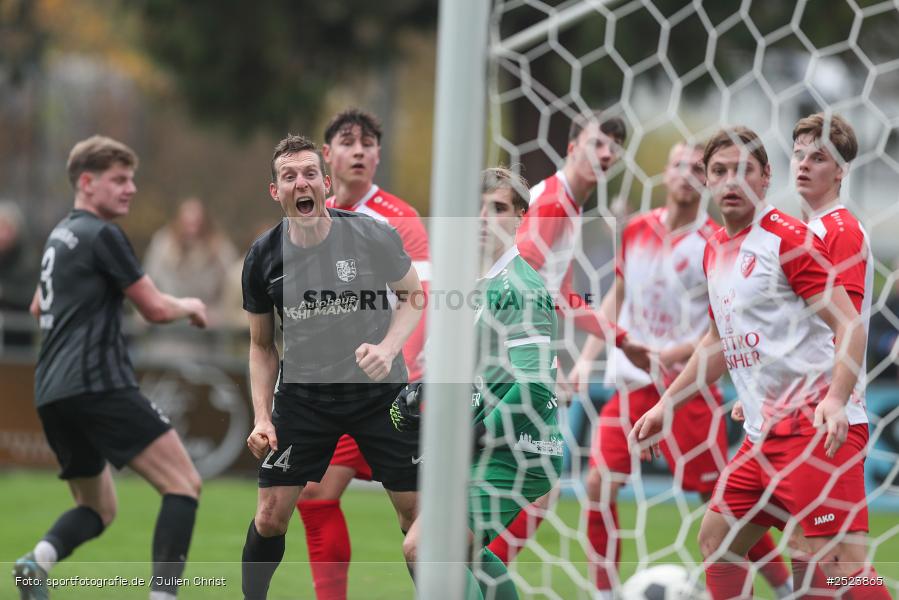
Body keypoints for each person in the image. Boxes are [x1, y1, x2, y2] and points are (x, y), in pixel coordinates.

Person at [631, 127, 891, 600]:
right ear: (707, 180)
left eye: (743, 170)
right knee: (717, 541)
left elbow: (850, 324)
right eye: (719, 171)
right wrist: (666, 405)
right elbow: (717, 342)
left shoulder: (789, 239)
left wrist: (836, 399)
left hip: (814, 433)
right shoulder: (714, 247)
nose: (731, 180)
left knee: (837, 571)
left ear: (766, 176)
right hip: (761, 436)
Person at [568, 142, 792, 598]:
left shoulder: (715, 242)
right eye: (678, 165)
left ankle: (785, 585)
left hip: (689, 390)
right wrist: (588, 356)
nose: (686, 173)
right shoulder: (636, 229)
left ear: (705, 179)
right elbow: (618, 296)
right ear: (665, 173)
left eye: (696, 167)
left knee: (723, 504)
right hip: (635, 386)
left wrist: (673, 354)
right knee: (597, 482)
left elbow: (724, 327)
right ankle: (605, 593)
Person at [13, 135, 207, 600]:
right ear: (86, 183)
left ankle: (36, 562)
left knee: (99, 509)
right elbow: (154, 308)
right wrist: (190, 305)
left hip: (52, 392)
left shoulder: (59, 236)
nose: (130, 189)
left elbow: (38, 307)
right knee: (184, 484)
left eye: (131, 179)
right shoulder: (103, 234)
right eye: (119, 180)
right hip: (99, 384)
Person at [240, 134, 423, 600]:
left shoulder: (370, 234)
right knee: (270, 516)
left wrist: (388, 348)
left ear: (325, 183)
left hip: (380, 396)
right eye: (289, 177)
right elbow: (261, 345)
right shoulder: (262, 257)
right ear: (275, 191)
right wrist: (261, 417)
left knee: (415, 518)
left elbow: (414, 296)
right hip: (305, 398)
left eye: (309, 174)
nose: (301, 183)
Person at [488, 110, 652, 563]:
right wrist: (536, 357)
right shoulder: (555, 203)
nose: (606, 154)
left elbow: (562, 295)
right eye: (597, 143)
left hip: (513, 357)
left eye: (613, 148)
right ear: (572, 147)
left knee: (531, 486)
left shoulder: (569, 204)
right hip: (507, 360)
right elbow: (515, 279)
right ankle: (479, 571)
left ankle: (478, 570)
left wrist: (620, 339)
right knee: (539, 487)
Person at [400, 167, 561, 600]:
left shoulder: (521, 286)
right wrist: (422, 392)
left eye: (499, 208)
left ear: (521, 216)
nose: (484, 218)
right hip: (491, 445)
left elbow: (535, 386)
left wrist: (477, 433)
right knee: (461, 554)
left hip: (519, 448)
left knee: (427, 549)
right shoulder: (476, 284)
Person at [292, 109, 430, 600]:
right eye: (348, 142)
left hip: (389, 388)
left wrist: (397, 363)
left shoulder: (398, 217)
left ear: (377, 156)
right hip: (334, 387)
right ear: (326, 155)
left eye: (368, 143)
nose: (359, 151)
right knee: (314, 494)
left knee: (414, 515)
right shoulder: (312, 217)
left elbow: (422, 301)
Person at [143, 197, 238, 326]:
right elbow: (149, 280)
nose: (191, 229)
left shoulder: (220, 248)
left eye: (196, 223)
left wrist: (221, 314)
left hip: (208, 321)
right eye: (187, 223)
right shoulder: (163, 246)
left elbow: (231, 285)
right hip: (168, 319)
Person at [0, 200, 38, 349]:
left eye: (7, 229)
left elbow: (30, 296)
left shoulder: (28, 261)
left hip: (19, 339)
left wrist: (4, 293)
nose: (3, 235)